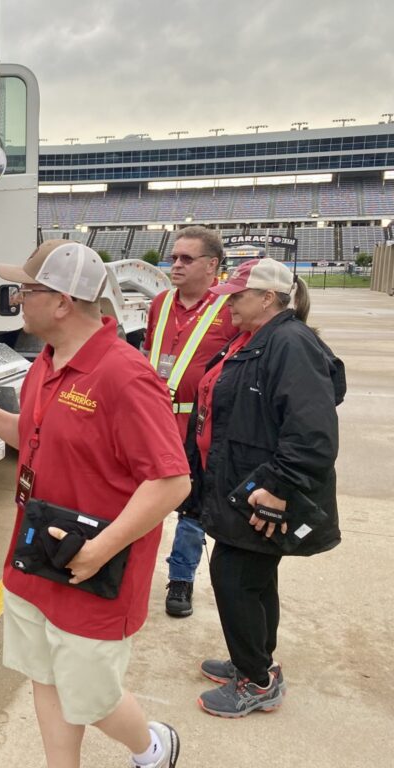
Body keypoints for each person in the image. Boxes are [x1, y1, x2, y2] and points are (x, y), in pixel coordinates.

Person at [0, 239, 188, 768]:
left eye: (26, 290)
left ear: (61, 302)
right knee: (46, 677)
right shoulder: (48, 364)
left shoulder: (125, 376)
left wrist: (100, 549)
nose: (16, 299)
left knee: (94, 696)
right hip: (37, 558)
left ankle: (152, 746)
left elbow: (171, 482)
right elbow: (34, 437)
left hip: (93, 570)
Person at [183, 258, 345, 717]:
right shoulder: (255, 338)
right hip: (240, 483)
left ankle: (255, 681)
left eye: (238, 295)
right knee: (254, 579)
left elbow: (312, 433)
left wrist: (277, 487)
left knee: (234, 579)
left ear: (268, 298)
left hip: (259, 490)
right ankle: (255, 663)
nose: (229, 303)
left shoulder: (290, 343)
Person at [142, 227, 237, 618]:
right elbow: (148, 351)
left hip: (198, 428)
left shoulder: (230, 307)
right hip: (150, 422)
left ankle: (181, 579)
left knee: (193, 508)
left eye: (186, 259)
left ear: (211, 265)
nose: (175, 265)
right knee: (137, 499)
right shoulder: (160, 302)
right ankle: (127, 563)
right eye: (174, 257)